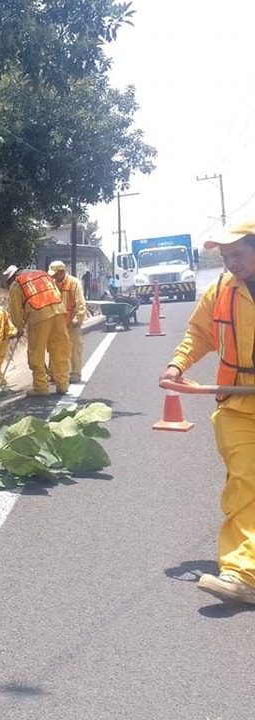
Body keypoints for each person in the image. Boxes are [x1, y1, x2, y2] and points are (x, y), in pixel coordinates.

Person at [159, 220, 255, 605]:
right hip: (236, 405)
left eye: (238, 253)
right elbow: (199, 335)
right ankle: (241, 573)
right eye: (225, 256)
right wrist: (177, 366)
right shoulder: (220, 292)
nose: (231, 262)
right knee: (245, 484)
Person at [3, 264, 70, 395]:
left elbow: (15, 309)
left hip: (39, 315)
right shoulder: (43, 274)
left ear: (11, 278)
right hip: (59, 311)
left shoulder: (17, 283)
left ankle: (41, 387)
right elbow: (56, 292)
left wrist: (19, 327)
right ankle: (62, 384)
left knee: (36, 352)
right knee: (59, 349)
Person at [49, 261, 87, 384]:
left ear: (62, 272)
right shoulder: (52, 283)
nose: (53, 277)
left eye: (55, 274)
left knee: (75, 347)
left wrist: (79, 317)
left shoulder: (73, 282)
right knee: (55, 348)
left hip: (72, 322)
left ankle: (75, 373)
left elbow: (80, 302)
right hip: (57, 322)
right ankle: (54, 373)